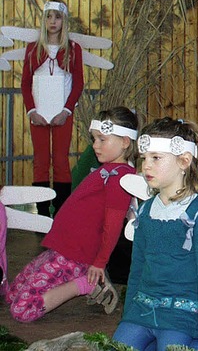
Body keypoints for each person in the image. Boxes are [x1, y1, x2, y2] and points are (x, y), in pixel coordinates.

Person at [6, 106, 138, 321]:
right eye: (94, 139)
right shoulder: (107, 169)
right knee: (13, 295)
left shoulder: (121, 179)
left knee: (22, 310)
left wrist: (99, 263)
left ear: (125, 142)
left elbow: (113, 226)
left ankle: (85, 283)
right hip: (62, 248)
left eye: (102, 140)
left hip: (75, 256)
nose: (95, 146)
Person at [113, 117, 198, 351]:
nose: (146, 166)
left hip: (182, 315)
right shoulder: (145, 211)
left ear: (184, 161)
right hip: (142, 311)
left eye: (156, 158)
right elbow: (137, 268)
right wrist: (128, 316)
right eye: (144, 158)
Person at [21, 0, 84, 216]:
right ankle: (42, 212)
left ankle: (61, 211)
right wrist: (32, 111)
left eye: (57, 17)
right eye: (48, 16)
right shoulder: (33, 49)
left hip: (62, 115)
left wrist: (66, 111)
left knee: (60, 160)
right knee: (40, 160)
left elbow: (78, 83)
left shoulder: (73, 49)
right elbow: (25, 83)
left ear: (64, 20)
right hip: (38, 114)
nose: (53, 21)